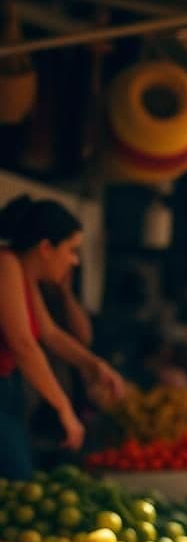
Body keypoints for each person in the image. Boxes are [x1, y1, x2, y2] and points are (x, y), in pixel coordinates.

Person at [0, 195, 124, 477]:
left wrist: (95, 365)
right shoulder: (6, 264)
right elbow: (23, 344)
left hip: (9, 388)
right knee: (18, 482)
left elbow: (50, 334)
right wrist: (63, 408)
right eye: (71, 249)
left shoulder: (23, 273)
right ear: (46, 248)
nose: (75, 261)